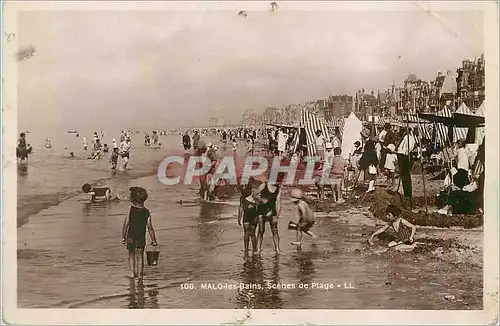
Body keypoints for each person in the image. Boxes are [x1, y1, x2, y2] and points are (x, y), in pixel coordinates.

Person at [121, 187, 158, 279]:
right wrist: (154, 240)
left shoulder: (130, 210)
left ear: (132, 199)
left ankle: (132, 274)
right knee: (140, 257)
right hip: (141, 238)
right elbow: (150, 228)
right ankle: (140, 275)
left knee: (131, 256)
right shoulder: (146, 212)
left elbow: (126, 224)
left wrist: (123, 236)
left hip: (131, 237)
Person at [256, 174, 283, 254]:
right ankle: (258, 249)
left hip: (272, 211)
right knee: (261, 230)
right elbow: (254, 194)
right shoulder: (264, 185)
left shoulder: (278, 189)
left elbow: (279, 202)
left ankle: (277, 249)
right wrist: (261, 199)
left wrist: (277, 215)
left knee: (275, 231)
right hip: (261, 211)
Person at [238, 184, 260, 255]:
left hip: (252, 217)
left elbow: (241, 208)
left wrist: (239, 218)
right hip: (250, 217)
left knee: (249, 233)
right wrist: (239, 217)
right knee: (249, 233)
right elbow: (241, 208)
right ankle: (250, 249)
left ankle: (250, 249)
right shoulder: (244, 198)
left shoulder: (251, 197)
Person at [396, 128, 417, 199]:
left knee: (405, 175)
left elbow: (405, 149)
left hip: (403, 156)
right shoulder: (409, 138)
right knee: (405, 175)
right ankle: (407, 193)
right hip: (403, 155)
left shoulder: (408, 138)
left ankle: (407, 194)